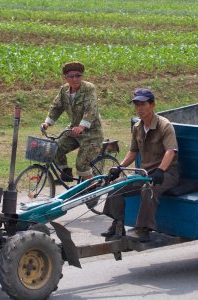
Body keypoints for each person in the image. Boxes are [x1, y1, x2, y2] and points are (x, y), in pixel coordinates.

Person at [101, 88, 179, 242]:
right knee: (116, 185)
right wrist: (119, 167)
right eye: (136, 104)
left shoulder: (165, 125)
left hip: (167, 173)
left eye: (143, 104)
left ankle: (144, 229)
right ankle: (117, 224)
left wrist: (160, 171)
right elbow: (133, 151)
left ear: (152, 105)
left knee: (148, 189)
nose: (139, 108)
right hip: (145, 173)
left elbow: (171, 151)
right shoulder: (137, 127)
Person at [41, 61, 104, 182]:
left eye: (78, 75)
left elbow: (90, 109)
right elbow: (56, 107)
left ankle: (93, 190)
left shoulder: (89, 88)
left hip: (92, 134)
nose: (75, 79)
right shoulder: (64, 90)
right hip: (73, 130)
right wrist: (47, 123)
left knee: (81, 164)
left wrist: (82, 126)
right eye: (71, 76)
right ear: (65, 78)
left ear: (82, 76)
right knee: (55, 148)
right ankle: (65, 173)